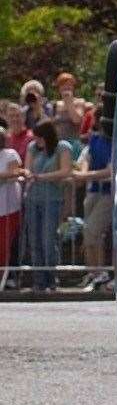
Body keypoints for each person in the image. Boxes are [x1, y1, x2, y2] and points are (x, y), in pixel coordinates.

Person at [22, 121, 74, 288]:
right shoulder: (32, 147)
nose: (37, 140)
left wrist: (41, 177)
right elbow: (27, 169)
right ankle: (39, 280)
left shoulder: (62, 147)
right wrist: (29, 175)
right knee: (35, 240)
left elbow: (66, 171)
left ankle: (51, 278)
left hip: (52, 200)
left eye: (40, 137)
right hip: (33, 199)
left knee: (48, 239)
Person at [75, 115, 115, 287]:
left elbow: (111, 170)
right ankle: (93, 272)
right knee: (88, 232)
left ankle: (102, 272)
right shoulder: (95, 139)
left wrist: (86, 175)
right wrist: (84, 172)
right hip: (92, 191)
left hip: (107, 193)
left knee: (93, 229)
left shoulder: (116, 143)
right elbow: (86, 160)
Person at [0, 122, 21, 290]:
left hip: (8, 208)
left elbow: (15, 173)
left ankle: (7, 276)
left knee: (6, 243)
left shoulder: (10, 154)